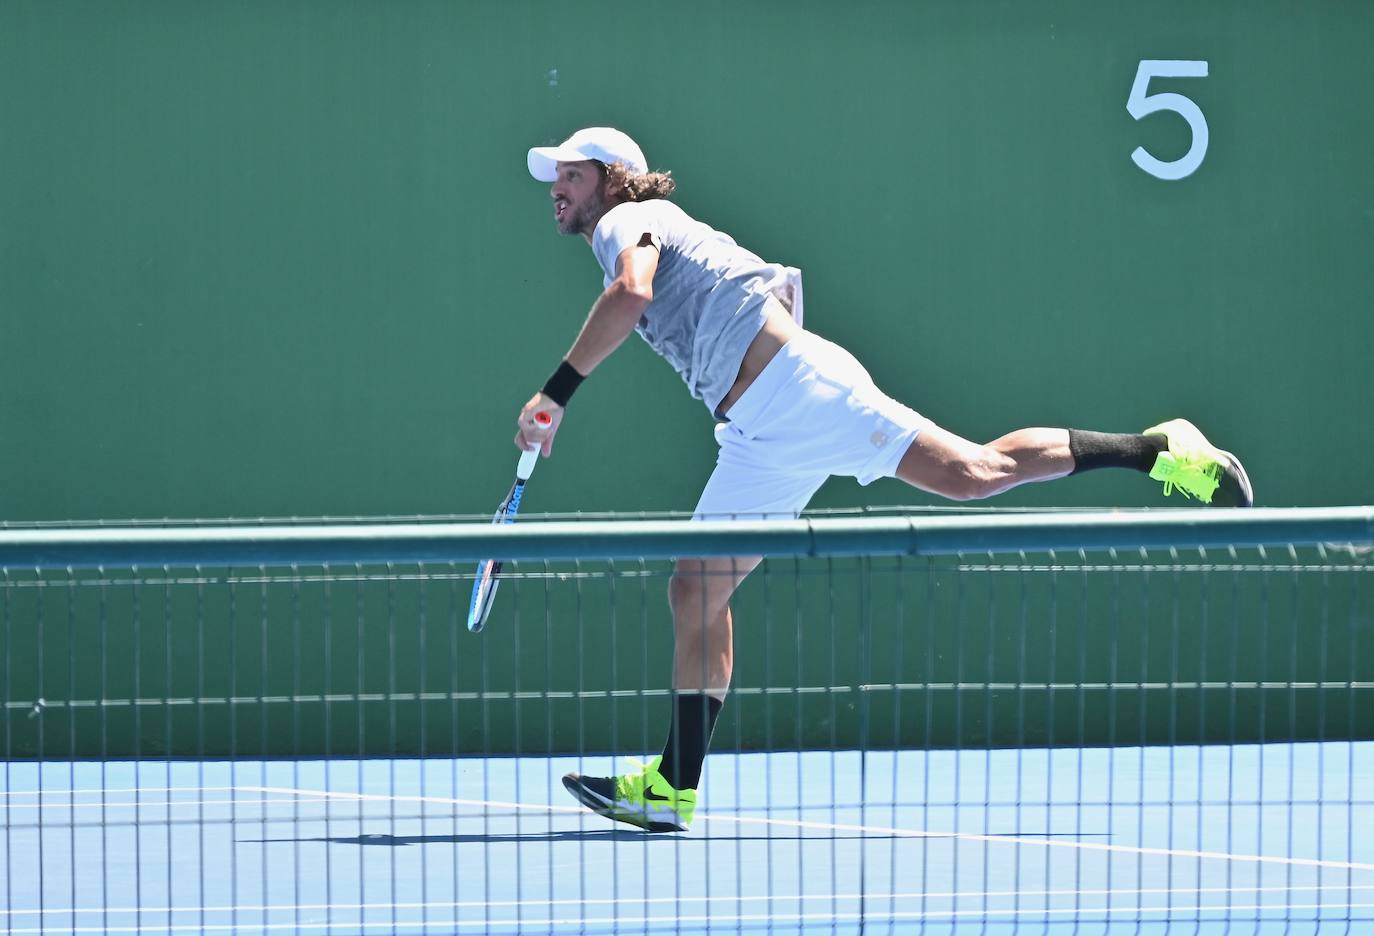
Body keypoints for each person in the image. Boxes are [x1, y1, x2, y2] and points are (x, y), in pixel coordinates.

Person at [514, 127, 1253, 833]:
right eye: (556, 178)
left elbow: (633, 293)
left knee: (975, 472)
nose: (558, 187)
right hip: (756, 433)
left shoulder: (630, 217)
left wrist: (555, 393)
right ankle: (674, 786)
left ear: (611, 179)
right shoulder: (632, 226)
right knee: (696, 587)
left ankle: (1158, 449)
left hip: (800, 389)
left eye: (571, 174)